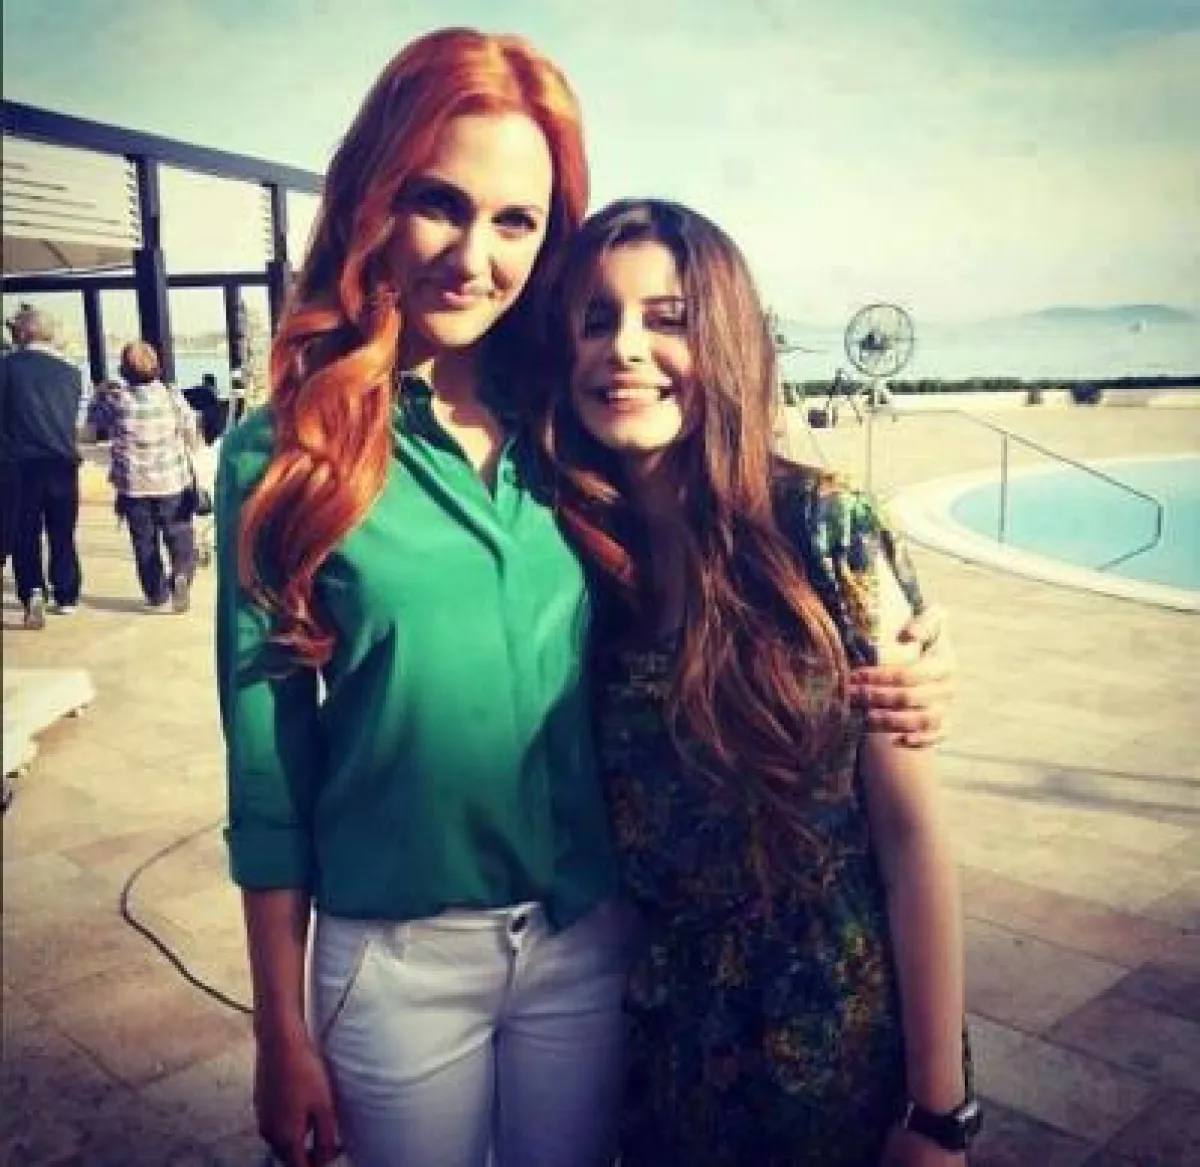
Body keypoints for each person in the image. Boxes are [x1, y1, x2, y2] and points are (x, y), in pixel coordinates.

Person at [215, 28, 954, 1167]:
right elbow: (268, 768)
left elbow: (736, 531)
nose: (474, 255)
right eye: (438, 202)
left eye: (516, 221)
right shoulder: (286, 454)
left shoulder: (570, 429)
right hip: (399, 958)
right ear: (374, 199)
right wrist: (278, 1026)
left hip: (589, 944)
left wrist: (913, 656)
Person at [540, 197, 976, 1167]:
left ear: (727, 340)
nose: (623, 348)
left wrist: (939, 1112)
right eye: (595, 319)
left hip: (835, 1044)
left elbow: (912, 839)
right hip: (661, 1048)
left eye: (667, 318)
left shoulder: (825, 530)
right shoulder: (571, 556)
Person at [89, 341, 199, 613]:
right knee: (180, 534)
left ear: (124, 371)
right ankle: (181, 575)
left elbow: (94, 425)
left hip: (134, 486)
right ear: (157, 367)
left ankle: (157, 594)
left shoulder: (117, 400)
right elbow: (190, 431)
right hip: (172, 481)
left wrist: (99, 393)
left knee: (144, 542)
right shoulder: (171, 396)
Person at [0, 305, 84, 628]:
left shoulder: (7, 367)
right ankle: (67, 594)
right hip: (62, 461)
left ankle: (33, 591)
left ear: (23, 333)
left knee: (25, 532)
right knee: (62, 532)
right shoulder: (71, 372)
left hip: (19, 464)